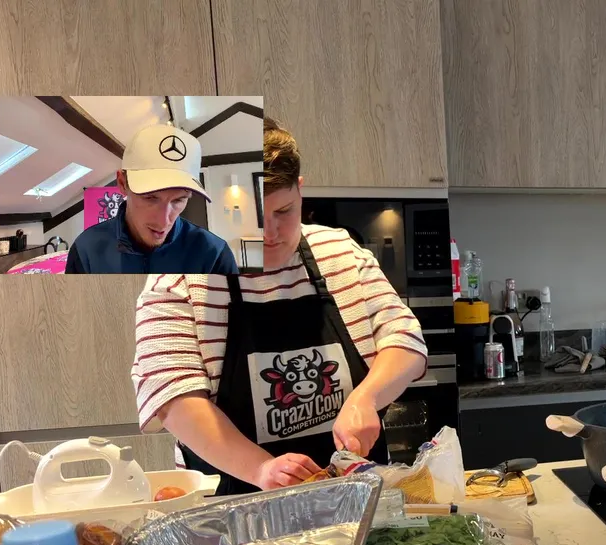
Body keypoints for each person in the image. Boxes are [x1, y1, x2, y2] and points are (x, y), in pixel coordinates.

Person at [130, 117, 427, 494]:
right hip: (234, 507)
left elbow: (405, 341)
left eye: (283, 212)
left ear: (300, 190)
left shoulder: (341, 253)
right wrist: (261, 469)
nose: (268, 234)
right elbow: (174, 397)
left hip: (356, 498)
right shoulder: (179, 278)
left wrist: (366, 398)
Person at [67, 124, 239, 274]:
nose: (163, 221)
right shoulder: (87, 251)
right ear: (122, 183)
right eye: (150, 198)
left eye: (178, 200)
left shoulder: (214, 255)